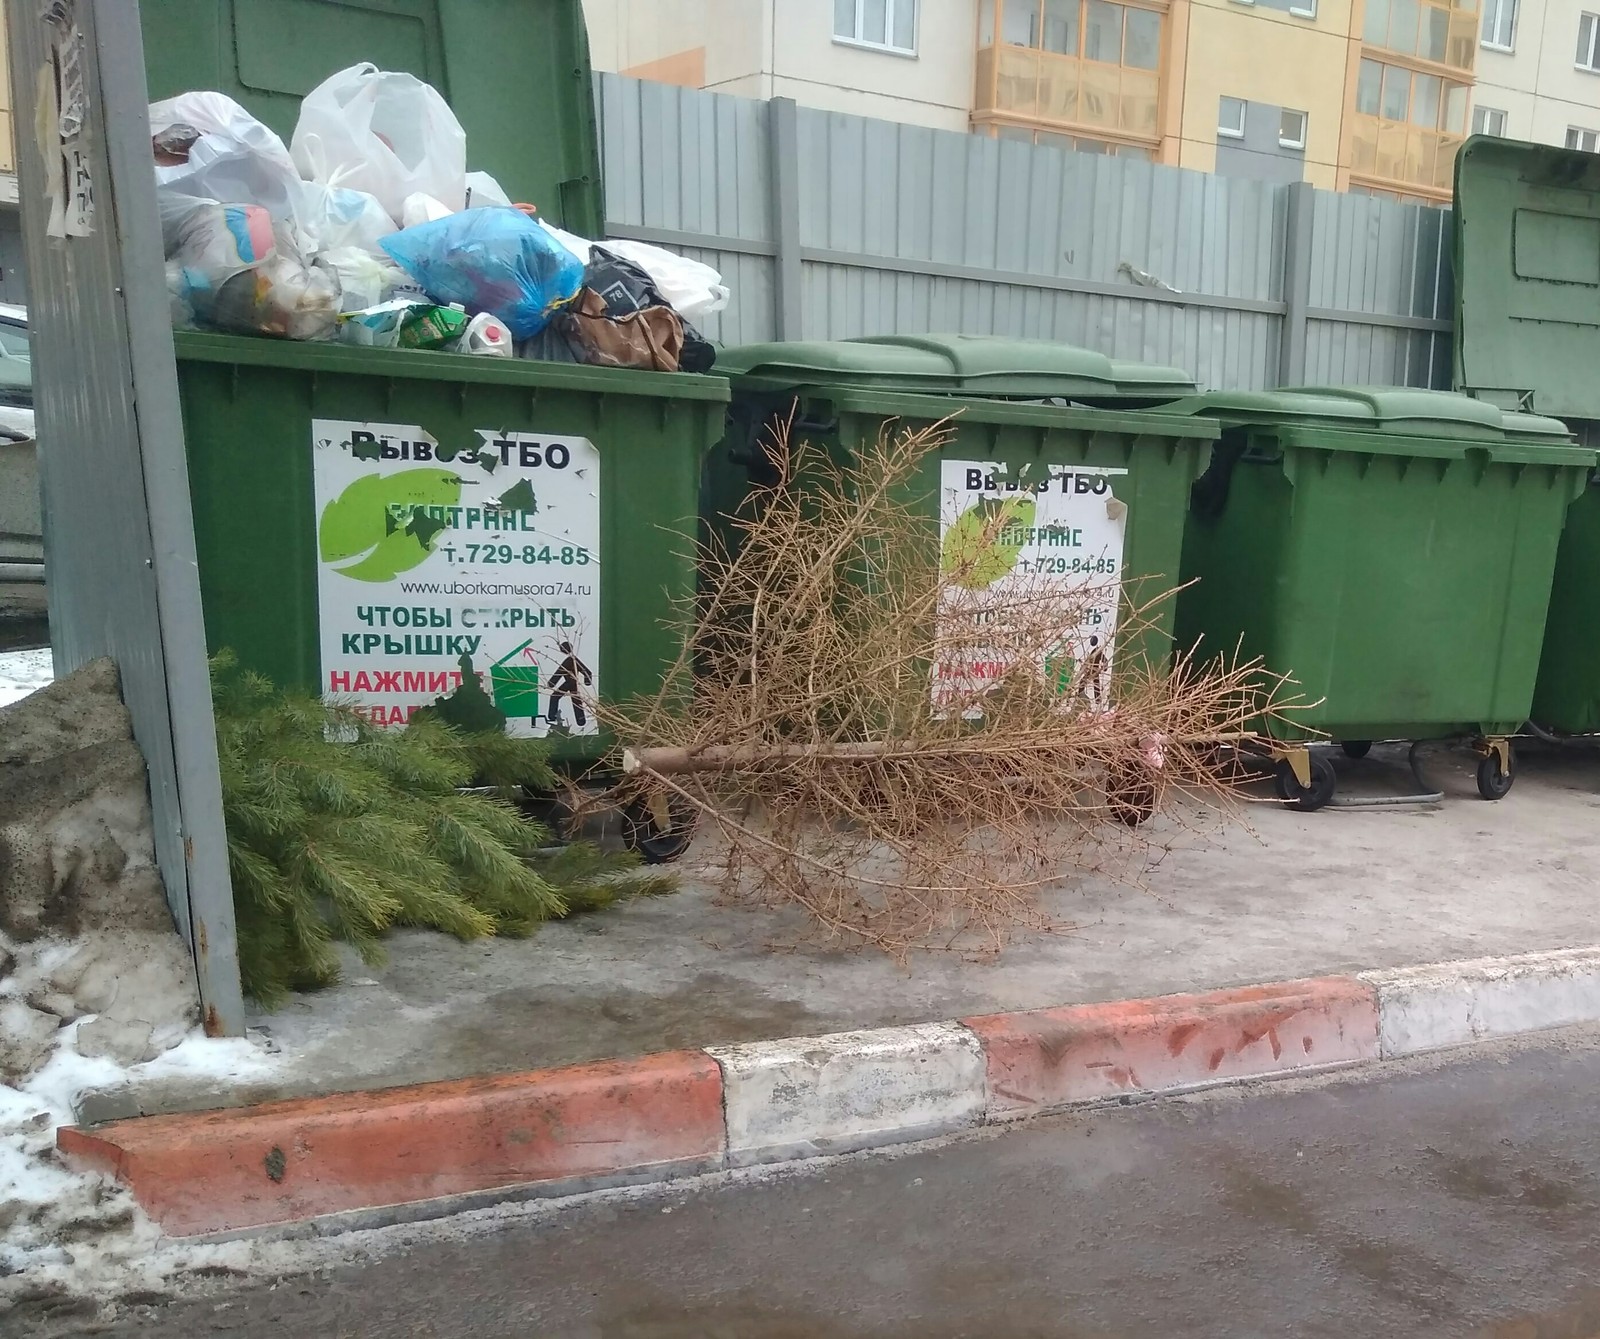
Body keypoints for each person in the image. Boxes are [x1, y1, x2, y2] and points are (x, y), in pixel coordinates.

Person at [544, 640, 593, 728]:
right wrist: (587, 681)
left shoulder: (569, 660)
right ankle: (581, 720)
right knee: (576, 700)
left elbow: (559, 673)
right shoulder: (573, 659)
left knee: (555, 697)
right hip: (572, 683)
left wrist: (551, 684)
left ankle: (552, 717)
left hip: (569, 683)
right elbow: (587, 672)